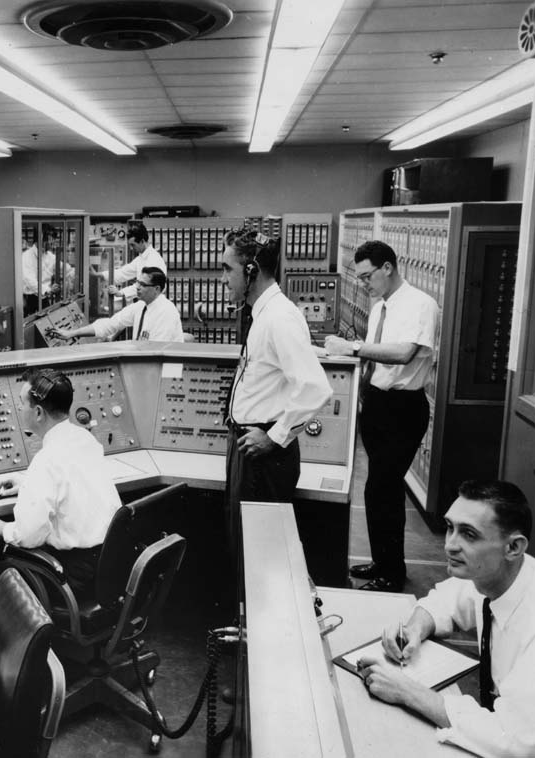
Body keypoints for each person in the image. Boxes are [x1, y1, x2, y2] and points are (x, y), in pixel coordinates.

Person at [358, 480, 535, 757]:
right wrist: (414, 629)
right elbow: (446, 600)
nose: (450, 545)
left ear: (513, 547)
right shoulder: (492, 575)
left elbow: (516, 741)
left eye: (469, 534)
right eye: (450, 527)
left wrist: (408, 692)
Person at [325, 240, 439, 591]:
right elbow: (373, 357)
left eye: (366, 276)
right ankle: (382, 562)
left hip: (403, 409)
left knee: (384, 487)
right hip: (376, 404)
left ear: (387, 267)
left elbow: (404, 353)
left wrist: (352, 347)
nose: (363, 284)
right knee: (377, 491)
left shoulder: (421, 304)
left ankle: (392, 574)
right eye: (360, 278)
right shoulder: (379, 308)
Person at [0, 367, 122, 602]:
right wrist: (27, 484)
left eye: (21, 403)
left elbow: (27, 537)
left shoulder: (46, 461)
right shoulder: (85, 439)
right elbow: (75, 483)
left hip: (71, 576)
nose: (19, 408)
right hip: (107, 564)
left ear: (38, 412)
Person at [220, 228, 332, 510]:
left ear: (251, 271)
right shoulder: (264, 313)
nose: (223, 279)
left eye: (227, 269)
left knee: (259, 538)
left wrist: (274, 437)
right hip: (249, 448)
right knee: (243, 535)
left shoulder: (279, 318)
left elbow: (315, 388)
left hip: (263, 458)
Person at [52, 267, 183, 343]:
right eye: (138, 283)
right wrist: (72, 333)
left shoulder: (167, 312)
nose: (137, 287)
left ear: (157, 289)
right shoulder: (141, 306)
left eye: (143, 285)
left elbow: (157, 352)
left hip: (164, 373)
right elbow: (110, 324)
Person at [107, 223, 167, 302]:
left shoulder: (153, 259)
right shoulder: (141, 258)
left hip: (153, 303)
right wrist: (99, 275)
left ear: (142, 241)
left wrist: (121, 293)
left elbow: (144, 286)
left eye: (133, 245)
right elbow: (123, 273)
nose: (131, 248)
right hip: (146, 301)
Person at [21, 239, 58, 316]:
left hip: (44, 297)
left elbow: (62, 267)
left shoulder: (49, 255)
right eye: (50, 240)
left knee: (48, 319)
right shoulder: (26, 256)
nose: (52, 242)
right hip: (30, 299)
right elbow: (30, 282)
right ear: (40, 239)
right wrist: (48, 290)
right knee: (30, 321)